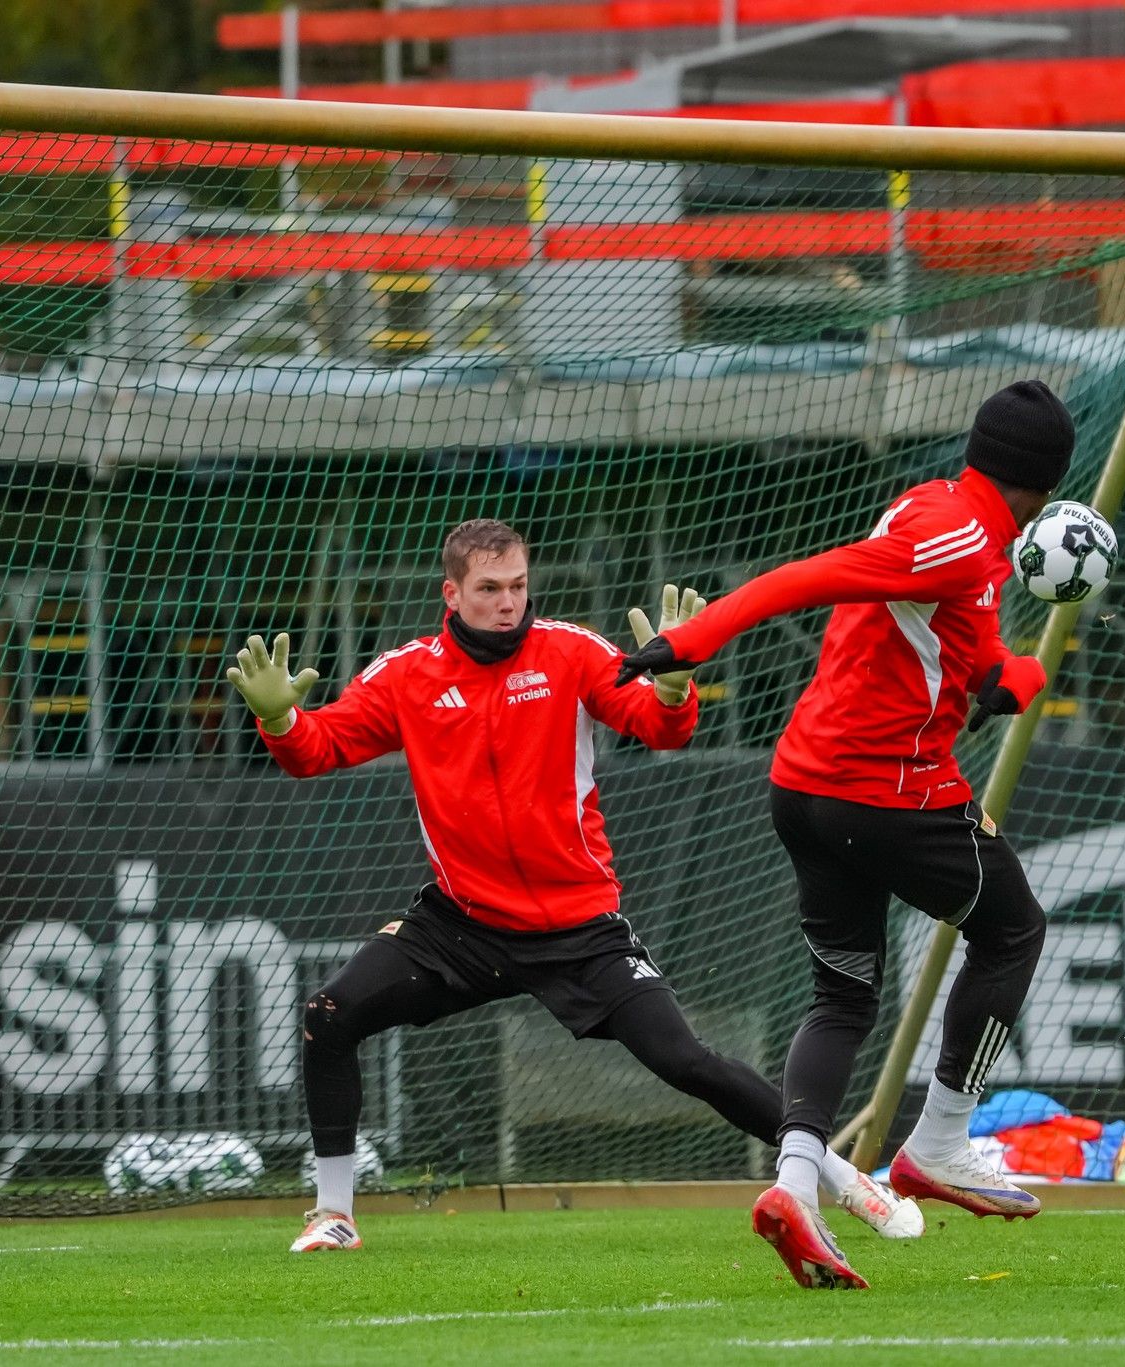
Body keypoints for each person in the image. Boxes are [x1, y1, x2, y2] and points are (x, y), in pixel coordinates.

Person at [227, 517, 921, 1253]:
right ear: (451, 592)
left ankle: (846, 1179)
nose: (507, 602)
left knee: (689, 1061)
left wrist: (677, 689)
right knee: (329, 1013)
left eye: (518, 586)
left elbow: (659, 726)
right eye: (489, 589)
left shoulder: (572, 652)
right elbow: (317, 748)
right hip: (459, 925)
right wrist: (279, 717)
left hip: (580, 927)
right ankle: (334, 1213)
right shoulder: (407, 673)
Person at [617, 379, 1074, 1289]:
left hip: (806, 787)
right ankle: (940, 1141)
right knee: (1014, 927)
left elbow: (967, 656)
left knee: (842, 997)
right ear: (1042, 485)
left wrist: (1014, 675)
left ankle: (793, 1186)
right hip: (884, 795)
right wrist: (696, 639)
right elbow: (812, 576)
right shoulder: (960, 536)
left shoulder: (940, 511)